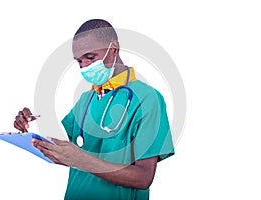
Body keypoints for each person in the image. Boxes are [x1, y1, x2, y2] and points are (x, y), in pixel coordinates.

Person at [14, 19, 175, 200]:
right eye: (79, 61)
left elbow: (143, 178)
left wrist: (82, 160)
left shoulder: (147, 98)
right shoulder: (86, 99)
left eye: (90, 58)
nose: (84, 67)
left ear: (114, 49)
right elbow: (60, 149)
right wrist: (31, 125)